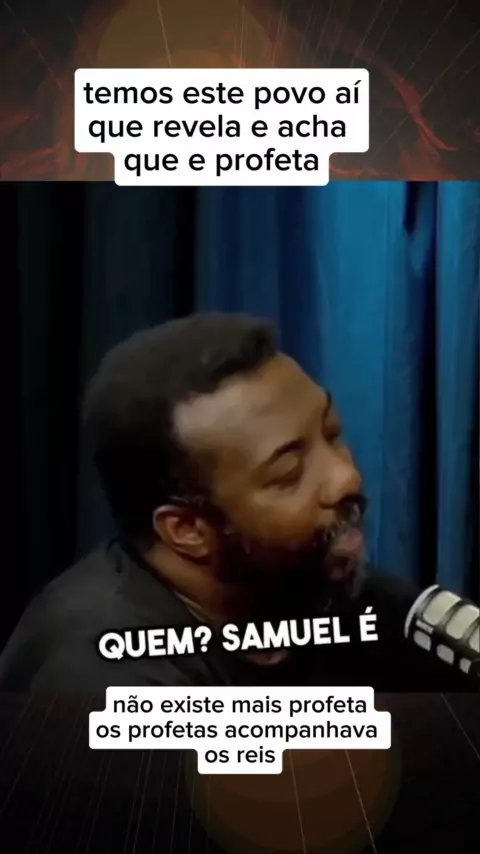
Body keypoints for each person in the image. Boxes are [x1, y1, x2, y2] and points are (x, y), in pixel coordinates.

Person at [0, 313, 473, 691]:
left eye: (332, 433)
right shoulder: (98, 679)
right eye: (289, 473)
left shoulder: (318, 586)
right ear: (188, 530)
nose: (345, 477)